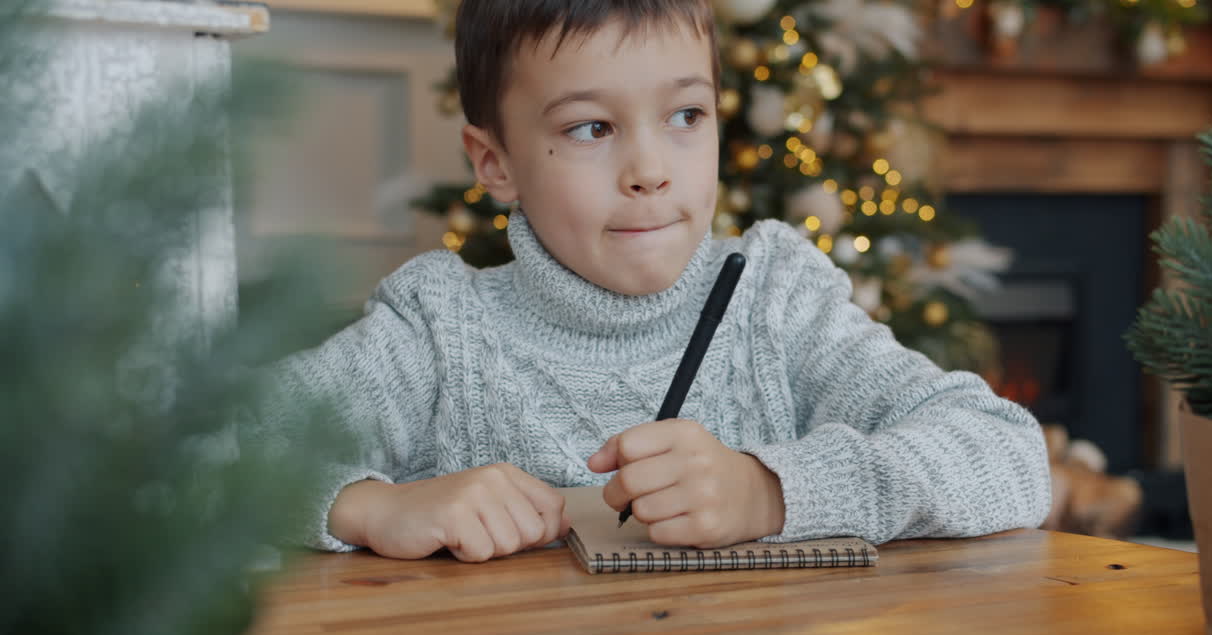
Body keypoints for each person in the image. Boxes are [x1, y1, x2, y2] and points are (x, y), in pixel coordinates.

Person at [264, 0, 1052, 562]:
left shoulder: (776, 299)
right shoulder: (438, 333)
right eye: (591, 128)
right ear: (494, 162)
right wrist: (371, 507)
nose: (650, 171)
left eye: (686, 117)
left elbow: (1008, 455)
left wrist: (771, 493)